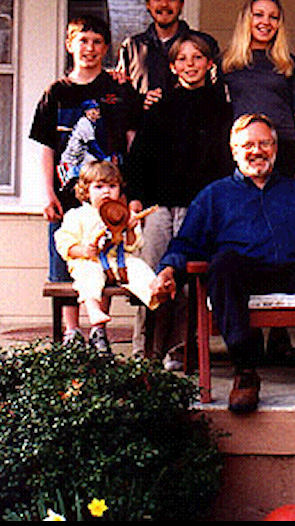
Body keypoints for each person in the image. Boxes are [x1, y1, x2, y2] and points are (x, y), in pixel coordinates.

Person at [152, 114, 295, 413]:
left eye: (264, 143)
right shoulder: (214, 195)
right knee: (222, 263)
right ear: (234, 151)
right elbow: (186, 242)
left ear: (275, 148)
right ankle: (246, 372)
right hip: (246, 274)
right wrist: (169, 269)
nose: (256, 150)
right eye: (247, 144)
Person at [123, 33, 234, 369]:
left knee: (187, 278)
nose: (190, 65)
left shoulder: (221, 109)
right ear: (172, 67)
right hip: (158, 205)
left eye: (197, 58)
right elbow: (139, 158)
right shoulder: (160, 109)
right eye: (182, 60)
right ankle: (145, 349)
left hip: (198, 207)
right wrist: (136, 198)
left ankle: (180, 348)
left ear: (209, 63)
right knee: (153, 275)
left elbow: (225, 164)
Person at [29, 15, 141, 343]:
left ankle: (98, 331)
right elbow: (48, 147)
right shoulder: (56, 93)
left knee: (102, 259)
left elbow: (132, 143)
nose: (89, 48)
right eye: (82, 41)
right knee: (66, 262)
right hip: (67, 195)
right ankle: (71, 332)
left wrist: (130, 192)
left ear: (105, 48)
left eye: (96, 42)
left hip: (109, 197)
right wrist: (48, 193)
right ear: (70, 45)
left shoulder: (118, 90)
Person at [54, 161, 165, 355]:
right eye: (99, 187)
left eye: (112, 186)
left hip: (118, 261)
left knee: (138, 266)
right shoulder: (77, 215)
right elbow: (64, 242)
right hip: (90, 261)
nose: (106, 192)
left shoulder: (122, 214)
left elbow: (133, 246)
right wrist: (83, 250)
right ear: (86, 191)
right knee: (89, 276)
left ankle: (153, 291)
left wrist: (130, 228)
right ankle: (93, 309)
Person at [221, 0, 295, 183]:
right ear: (247, 19)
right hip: (244, 152)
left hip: (284, 150)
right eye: (258, 15)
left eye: (273, 17)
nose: (266, 22)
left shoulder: (289, 63)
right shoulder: (228, 63)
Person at [114, 0, 221, 98]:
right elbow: (122, 94)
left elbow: (217, 91)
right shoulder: (132, 47)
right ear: (148, 4)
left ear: (181, 4)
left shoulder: (204, 44)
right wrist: (142, 101)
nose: (164, 4)